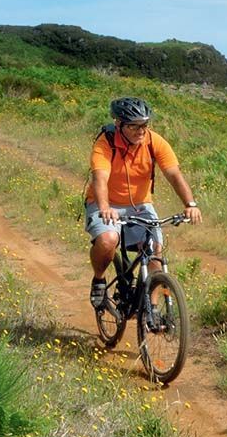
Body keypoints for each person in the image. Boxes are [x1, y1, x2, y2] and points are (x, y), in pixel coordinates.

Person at [84, 97, 203, 309]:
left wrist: (190, 204)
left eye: (144, 125)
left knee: (155, 251)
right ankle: (99, 279)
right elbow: (100, 178)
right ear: (118, 124)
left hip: (140, 204)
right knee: (108, 240)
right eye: (134, 126)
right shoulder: (105, 144)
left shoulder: (153, 142)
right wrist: (104, 207)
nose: (141, 131)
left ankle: (152, 309)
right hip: (106, 204)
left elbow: (174, 174)